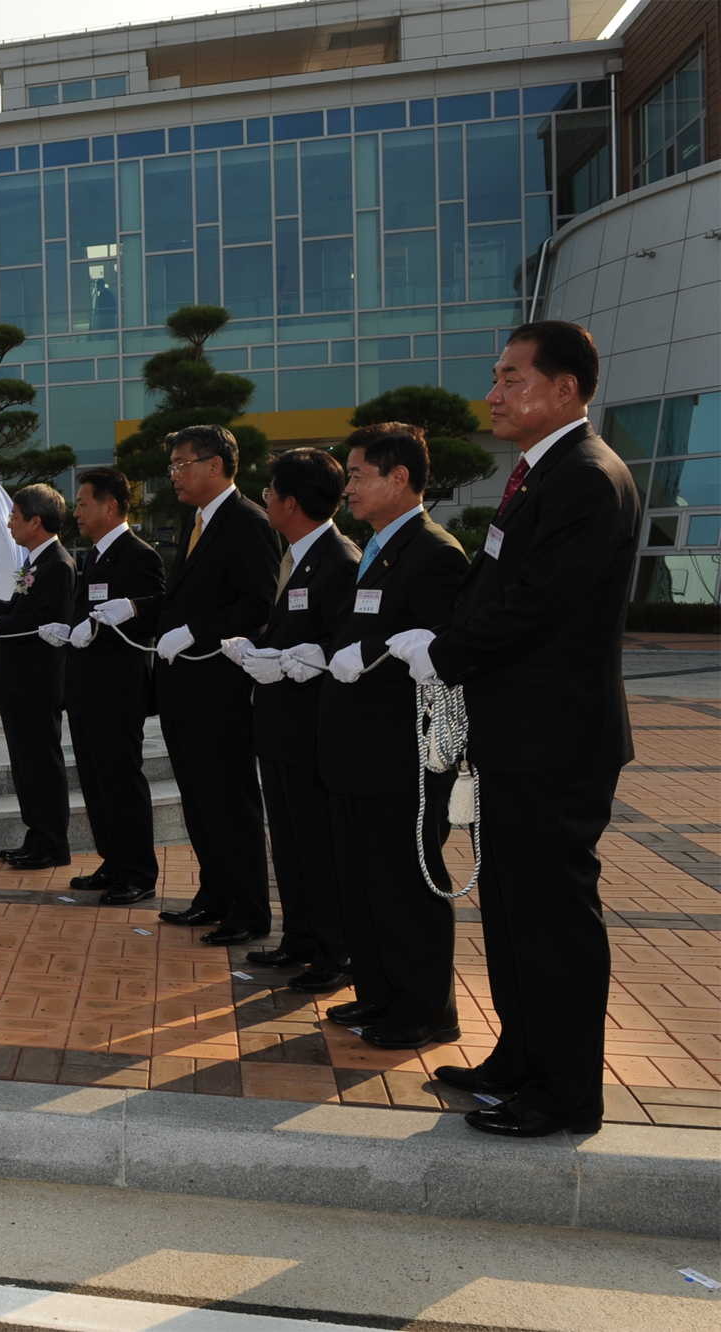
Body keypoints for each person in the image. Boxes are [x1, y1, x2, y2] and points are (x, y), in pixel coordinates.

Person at [392, 322, 642, 1139]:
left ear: (564, 389)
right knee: (511, 910)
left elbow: (539, 604)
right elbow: (494, 589)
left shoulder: (586, 478)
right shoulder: (538, 475)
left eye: (511, 379)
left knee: (554, 919)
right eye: (496, 379)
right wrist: (443, 638)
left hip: (556, 739)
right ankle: (520, 1060)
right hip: (518, 735)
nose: (493, 394)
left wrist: (446, 654)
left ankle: (567, 1094)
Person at [304, 425, 468, 1050]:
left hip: (399, 756)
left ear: (399, 478)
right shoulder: (376, 548)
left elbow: (440, 644)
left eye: (356, 474)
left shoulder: (434, 552)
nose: (348, 486)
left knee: (405, 884)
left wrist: (371, 650)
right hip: (353, 754)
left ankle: (426, 1007)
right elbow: (351, 632)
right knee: (363, 882)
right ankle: (378, 995)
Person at [140, 426, 282, 945]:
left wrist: (194, 631)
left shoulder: (247, 523)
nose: (173, 475)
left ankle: (248, 909)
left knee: (230, 803)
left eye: (181, 464)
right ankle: (214, 894)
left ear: (216, 465)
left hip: (220, 690)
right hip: (184, 689)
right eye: (172, 465)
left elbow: (256, 605)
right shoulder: (196, 520)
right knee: (199, 801)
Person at [222, 448, 358, 992]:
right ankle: (299, 939)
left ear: (292, 502)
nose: (267, 500)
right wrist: (255, 648)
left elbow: (341, 642)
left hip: (311, 732)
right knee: (291, 843)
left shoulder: (339, 559)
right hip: (279, 728)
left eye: (271, 492)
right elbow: (288, 632)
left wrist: (294, 660)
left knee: (316, 847)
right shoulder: (299, 555)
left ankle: (334, 951)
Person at [60, 467, 164, 905]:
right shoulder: (94, 555)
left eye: (83, 503)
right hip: (86, 688)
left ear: (110, 506)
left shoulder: (139, 555)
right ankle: (113, 859)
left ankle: (138, 870)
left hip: (118, 691)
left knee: (121, 780)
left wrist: (131, 609)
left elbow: (158, 610)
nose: (77, 512)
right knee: (95, 781)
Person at [0, 485, 76, 871]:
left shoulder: (59, 565)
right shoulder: (33, 563)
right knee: (25, 766)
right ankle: (36, 835)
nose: (9, 522)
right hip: (18, 684)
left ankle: (53, 842)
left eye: (15, 515)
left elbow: (46, 621)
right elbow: (19, 608)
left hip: (36, 684)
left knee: (41, 765)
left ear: (35, 521)